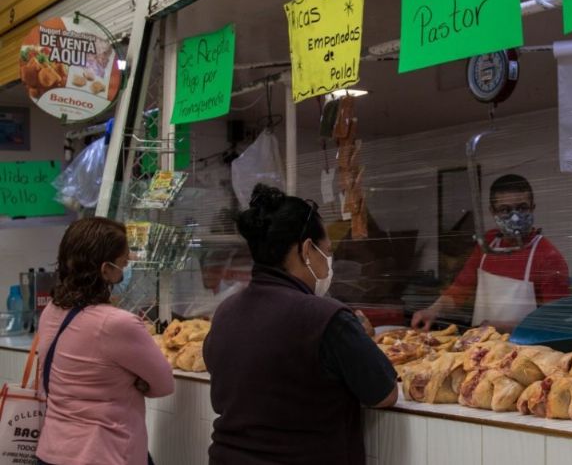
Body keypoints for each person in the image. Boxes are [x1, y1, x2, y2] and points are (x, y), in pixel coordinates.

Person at [203, 184, 397, 465]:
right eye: (327, 251)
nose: (330, 261)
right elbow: (384, 394)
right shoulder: (327, 318)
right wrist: (362, 339)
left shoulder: (225, 313)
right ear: (307, 250)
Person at [36, 217, 174, 465]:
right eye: (123, 263)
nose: (126, 270)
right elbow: (164, 384)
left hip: (51, 452)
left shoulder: (51, 312)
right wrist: (135, 381)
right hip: (105, 453)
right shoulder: (117, 323)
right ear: (105, 270)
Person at [412, 174, 570, 331]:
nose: (515, 218)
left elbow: (555, 323)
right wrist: (432, 310)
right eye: (505, 210)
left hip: (525, 352)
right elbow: (460, 290)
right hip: (479, 348)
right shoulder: (487, 244)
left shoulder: (548, 256)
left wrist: (499, 328)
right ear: (493, 212)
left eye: (522, 208)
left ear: (533, 208)